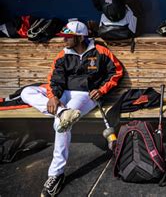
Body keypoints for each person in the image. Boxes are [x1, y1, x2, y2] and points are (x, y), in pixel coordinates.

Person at [21, 20, 123, 197]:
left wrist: (101, 90)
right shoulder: (63, 54)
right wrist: (54, 97)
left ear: (80, 37)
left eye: (68, 37)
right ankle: (62, 112)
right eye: (63, 37)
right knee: (27, 92)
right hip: (63, 95)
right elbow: (55, 79)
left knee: (61, 126)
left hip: (85, 95)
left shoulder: (100, 51)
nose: (64, 40)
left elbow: (116, 72)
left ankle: (56, 174)